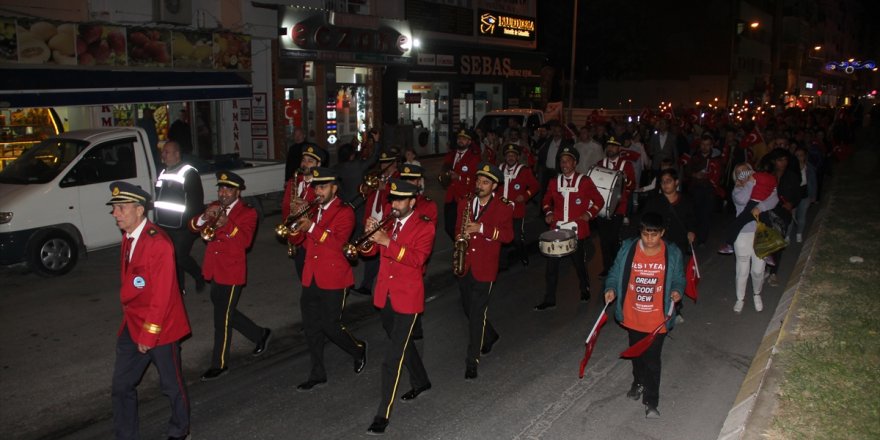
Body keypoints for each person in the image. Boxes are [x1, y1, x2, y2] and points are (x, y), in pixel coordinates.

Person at [107, 181, 191, 440]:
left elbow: (163, 296)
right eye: (114, 208)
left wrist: (148, 334)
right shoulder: (129, 237)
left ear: (140, 210)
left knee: (170, 385)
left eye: (121, 208)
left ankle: (180, 430)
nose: (115, 213)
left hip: (160, 327)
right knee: (121, 386)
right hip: (133, 324)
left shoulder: (159, 244)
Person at [361, 179, 436, 435]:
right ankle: (421, 380)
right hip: (385, 296)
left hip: (407, 299)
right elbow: (369, 253)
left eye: (400, 200)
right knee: (402, 343)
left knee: (392, 356)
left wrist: (387, 242)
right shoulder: (389, 223)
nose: (395, 204)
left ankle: (382, 414)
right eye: (393, 199)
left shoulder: (424, 227)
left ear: (412, 201)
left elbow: (417, 260)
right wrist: (371, 236)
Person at [288, 167, 368, 391]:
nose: (318, 191)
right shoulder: (312, 210)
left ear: (334, 188)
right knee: (312, 327)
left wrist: (311, 226)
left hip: (334, 278)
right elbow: (297, 240)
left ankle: (358, 348)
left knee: (330, 326)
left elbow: (338, 244)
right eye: (316, 187)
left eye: (322, 187)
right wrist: (296, 221)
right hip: (311, 276)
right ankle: (317, 373)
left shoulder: (345, 212)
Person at [190, 171, 272, 381]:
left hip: (232, 271)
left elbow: (244, 242)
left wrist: (226, 223)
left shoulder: (247, 212)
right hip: (214, 268)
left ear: (238, 191)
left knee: (221, 319)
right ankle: (260, 334)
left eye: (227, 189)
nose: (223, 192)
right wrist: (204, 216)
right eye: (221, 188)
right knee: (225, 312)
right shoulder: (214, 205)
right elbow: (193, 226)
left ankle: (219, 364)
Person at [603, 212, 685, 419]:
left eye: (654, 235)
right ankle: (638, 382)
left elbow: (678, 278)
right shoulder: (629, 248)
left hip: (657, 319)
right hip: (633, 315)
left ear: (662, 233)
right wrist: (611, 288)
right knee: (637, 354)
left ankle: (651, 401)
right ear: (640, 232)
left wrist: (677, 290)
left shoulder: (672, 253)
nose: (649, 239)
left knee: (652, 360)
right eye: (645, 234)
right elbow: (613, 272)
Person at [454, 163, 513, 379]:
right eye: (478, 180)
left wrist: (482, 229)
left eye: (485, 182)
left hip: (485, 267)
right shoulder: (465, 202)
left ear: (494, 186)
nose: (480, 185)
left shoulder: (504, 207)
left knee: (477, 314)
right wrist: (460, 239)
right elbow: (457, 228)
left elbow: (508, 236)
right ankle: (490, 336)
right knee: (468, 309)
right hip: (465, 264)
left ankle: (472, 360)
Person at [535, 146, 605, 311]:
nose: (564, 163)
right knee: (551, 267)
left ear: (575, 163)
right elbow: (545, 200)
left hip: (576, 230)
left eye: (567, 161)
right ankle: (550, 298)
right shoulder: (554, 182)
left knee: (579, 263)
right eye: (561, 161)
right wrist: (549, 212)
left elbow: (599, 201)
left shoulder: (585, 181)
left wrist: (589, 213)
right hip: (557, 230)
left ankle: (585, 289)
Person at [154, 140, 205, 295]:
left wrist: (188, 224)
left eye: (167, 152)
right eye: (163, 152)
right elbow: (160, 197)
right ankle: (179, 288)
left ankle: (199, 276)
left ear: (177, 154)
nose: (163, 155)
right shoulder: (163, 172)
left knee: (180, 257)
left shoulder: (189, 172)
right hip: (165, 224)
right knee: (172, 258)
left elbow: (196, 201)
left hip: (183, 227)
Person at [729, 163, 778, 313]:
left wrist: (760, 207)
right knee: (742, 269)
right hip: (742, 234)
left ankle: (757, 294)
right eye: (739, 172)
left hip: (760, 232)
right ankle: (740, 298)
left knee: (758, 270)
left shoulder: (764, 185)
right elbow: (743, 200)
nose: (743, 173)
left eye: (746, 170)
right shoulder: (738, 189)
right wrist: (749, 183)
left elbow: (774, 199)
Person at [352, 148, 401, 297]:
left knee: (382, 257)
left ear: (394, 164)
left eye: (387, 163)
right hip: (373, 218)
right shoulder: (378, 177)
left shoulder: (399, 178)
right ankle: (368, 286)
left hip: (386, 221)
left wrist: (384, 188)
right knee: (370, 253)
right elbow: (368, 195)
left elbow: (395, 200)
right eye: (382, 163)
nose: (383, 166)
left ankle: (377, 287)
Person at [283, 144, 327, 277]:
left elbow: (326, 211)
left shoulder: (324, 185)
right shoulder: (294, 182)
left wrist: (306, 206)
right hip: (297, 237)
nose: (305, 164)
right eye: (304, 160)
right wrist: (288, 226)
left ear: (318, 164)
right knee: (302, 274)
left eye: (310, 161)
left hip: (313, 238)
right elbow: (285, 206)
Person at [595, 137, 637, 276]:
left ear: (619, 149)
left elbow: (632, 186)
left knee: (612, 238)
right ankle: (607, 267)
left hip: (618, 208)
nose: (610, 149)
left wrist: (626, 180)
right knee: (604, 239)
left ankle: (617, 265)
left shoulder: (626, 165)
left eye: (613, 146)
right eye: (608, 146)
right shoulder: (600, 163)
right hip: (601, 208)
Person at [497, 143, 539, 267]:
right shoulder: (499, 168)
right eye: (508, 155)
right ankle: (502, 262)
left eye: (513, 155)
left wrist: (525, 196)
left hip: (516, 210)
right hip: (500, 210)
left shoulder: (524, 170)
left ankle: (523, 254)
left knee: (516, 238)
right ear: (505, 157)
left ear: (517, 157)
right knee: (499, 236)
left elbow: (535, 186)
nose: (510, 157)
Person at [441, 130, 482, 240]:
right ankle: (459, 246)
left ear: (469, 142)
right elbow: (444, 171)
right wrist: (443, 178)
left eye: (464, 139)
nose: (460, 141)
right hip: (450, 197)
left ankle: (462, 250)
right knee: (448, 227)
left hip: (464, 197)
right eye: (459, 138)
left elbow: (475, 179)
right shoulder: (451, 154)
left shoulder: (474, 158)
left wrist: (459, 177)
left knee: (461, 227)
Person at [683, 134, 722, 245]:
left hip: (709, 190)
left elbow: (720, 173)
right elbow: (687, 172)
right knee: (695, 214)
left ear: (711, 146)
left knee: (705, 215)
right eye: (703, 144)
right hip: (696, 190)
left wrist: (710, 176)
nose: (705, 147)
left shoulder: (715, 158)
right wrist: (695, 175)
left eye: (707, 145)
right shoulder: (695, 157)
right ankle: (693, 237)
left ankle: (702, 239)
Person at [792, 146, 817, 243]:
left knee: (802, 215)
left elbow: (813, 182)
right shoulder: (791, 168)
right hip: (793, 195)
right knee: (791, 216)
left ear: (805, 156)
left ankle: (799, 234)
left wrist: (813, 196)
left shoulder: (809, 168)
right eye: (797, 156)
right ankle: (787, 236)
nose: (799, 158)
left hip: (805, 194)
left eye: (801, 155)